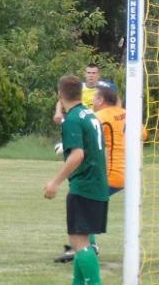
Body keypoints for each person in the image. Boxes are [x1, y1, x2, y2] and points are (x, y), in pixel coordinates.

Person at [43, 74, 109, 285]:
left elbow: (77, 155)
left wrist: (55, 182)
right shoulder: (90, 114)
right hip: (97, 182)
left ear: (60, 95)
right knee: (83, 239)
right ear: (81, 94)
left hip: (84, 186)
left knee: (79, 242)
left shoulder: (72, 119)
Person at [55, 83, 132, 263]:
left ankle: (87, 246)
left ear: (102, 100)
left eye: (96, 98)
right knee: (84, 208)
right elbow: (141, 134)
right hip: (126, 172)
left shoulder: (98, 116)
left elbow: (85, 135)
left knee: (82, 206)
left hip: (108, 173)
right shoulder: (128, 115)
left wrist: (64, 145)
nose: (94, 102)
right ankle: (84, 244)